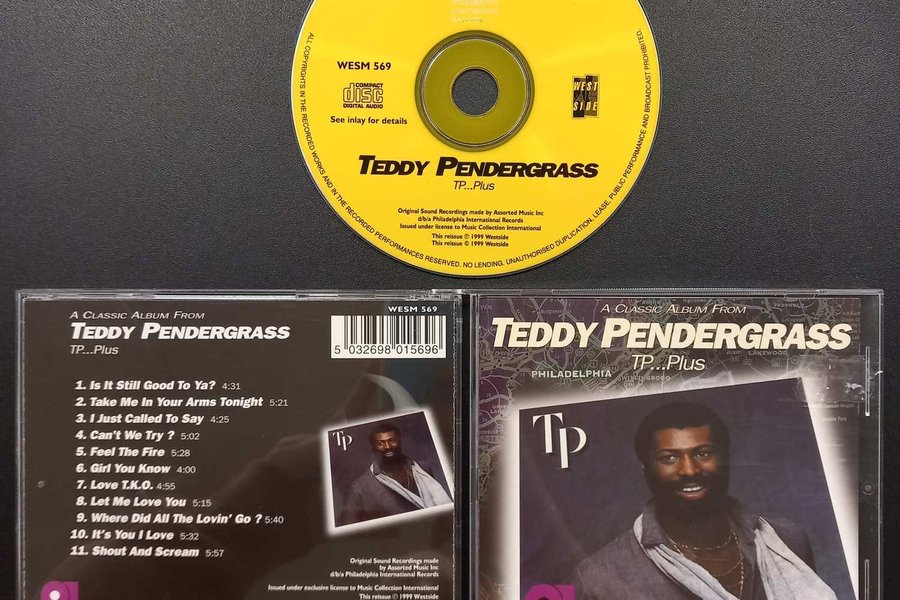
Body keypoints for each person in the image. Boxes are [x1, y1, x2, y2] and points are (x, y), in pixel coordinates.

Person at [575, 402, 838, 600]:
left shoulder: (786, 539)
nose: (689, 470)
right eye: (669, 458)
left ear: (725, 457)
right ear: (645, 467)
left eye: (703, 453)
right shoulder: (602, 576)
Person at [339, 421, 452, 526]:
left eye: (392, 440)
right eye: (380, 443)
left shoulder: (423, 468)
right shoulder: (359, 487)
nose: (388, 447)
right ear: (373, 448)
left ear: (399, 442)